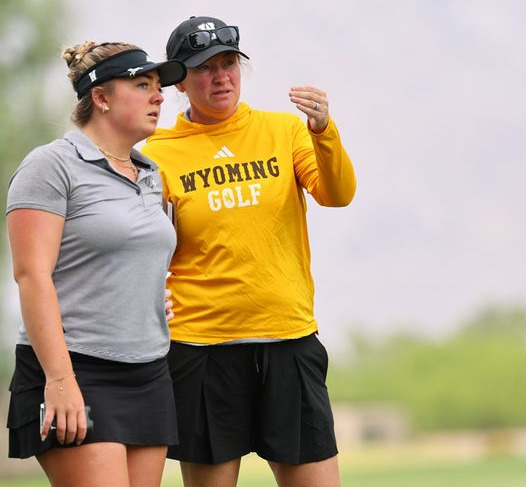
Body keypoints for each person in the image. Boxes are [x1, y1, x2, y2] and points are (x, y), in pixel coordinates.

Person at [141, 15, 356, 487]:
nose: (221, 77)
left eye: (229, 63)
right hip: (201, 348)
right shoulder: (156, 153)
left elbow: (336, 194)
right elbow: (140, 246)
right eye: (205, 68)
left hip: (287, 338)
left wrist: (323, 131)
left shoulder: (285, 132)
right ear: (179, 79)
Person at [5, 40, 186, 487]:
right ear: (101, 98)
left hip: (148, 370)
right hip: (76, 368)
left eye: (158, 86)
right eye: (143, 84)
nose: (159, 96)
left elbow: (122, 258)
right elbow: (32, 276)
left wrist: (141, 293)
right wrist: (60, 380)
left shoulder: (149, 173)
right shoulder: (51, 166)